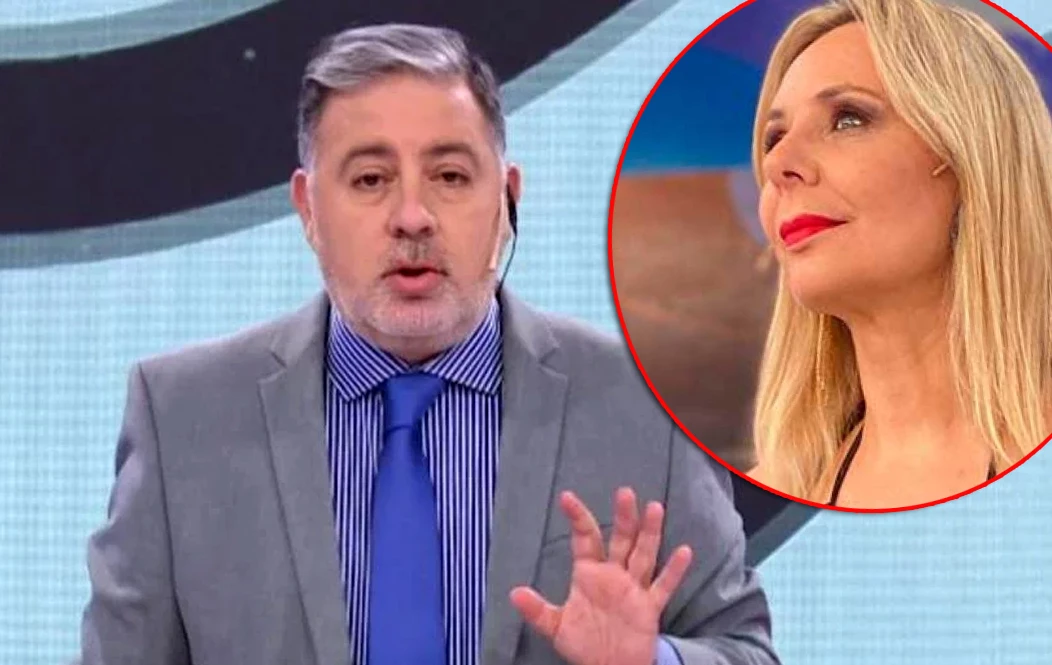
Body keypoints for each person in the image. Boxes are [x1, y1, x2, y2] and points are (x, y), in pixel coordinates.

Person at [74, 23, 778, 665]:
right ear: (308, 208)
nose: (412, 217)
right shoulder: (181, 416)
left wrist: (653, 660)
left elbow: (745, 649)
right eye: (370, 179)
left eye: (449, 177)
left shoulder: (652, 403)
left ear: (506, 199)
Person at [745, 0, 1052, 508]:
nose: (778, 164)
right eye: (774, 138)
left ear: (970, 154)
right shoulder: (758, 511)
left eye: (847, 119)